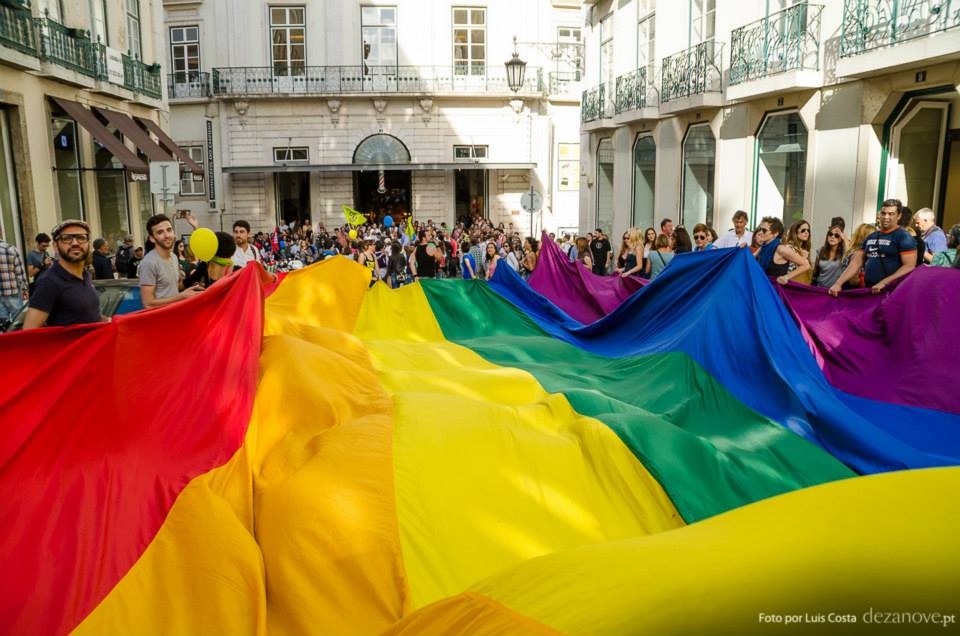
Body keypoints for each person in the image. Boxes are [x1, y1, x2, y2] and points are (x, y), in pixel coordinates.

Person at [23, 220, 104, 329]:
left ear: (88, 243)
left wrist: (112, 322)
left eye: (81, 237)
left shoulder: (85, 275)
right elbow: (29, 333)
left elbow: (89, 317)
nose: (75, 243)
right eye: (66, 238)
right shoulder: (49, 282)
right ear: (56, 246)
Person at [830, 199, 917, 296]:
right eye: (883, 213)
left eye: (891, 214)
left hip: (892, 292)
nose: (886, 217)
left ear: (899, 216)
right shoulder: (871, 236)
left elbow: (909, 266)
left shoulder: (904, 237)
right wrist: (838, 284)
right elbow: (856, 262)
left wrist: (884, 282)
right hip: (870, 290)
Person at [140, 214, 203, 308]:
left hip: (175, 314)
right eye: (160, 232)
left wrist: (192, 288)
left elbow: (177, 286)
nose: (167, 235)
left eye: (169, 230)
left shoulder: (173, 257)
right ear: (152, 238)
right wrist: (181, 296)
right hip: (160, 319)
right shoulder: (149, 262)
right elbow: (148, 304)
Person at [755, 216, 811, 285]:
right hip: (764, 287)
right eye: (759, 229)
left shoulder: (781, 249)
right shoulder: (764, 246)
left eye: (764, 230)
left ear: (775, 234)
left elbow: (806, 265)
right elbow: (750, 260)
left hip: (776, 291)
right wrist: (743, 249)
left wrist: (786, 277)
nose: (760, 232)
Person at [0, 232, 28, 324]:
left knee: (2, 323)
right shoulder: (11, 249)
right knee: (17, 321)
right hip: (12, 291)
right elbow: (19, 272)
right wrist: (24, 289)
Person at [812, 224, 846, 289]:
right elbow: (815, 271)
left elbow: (852, 250)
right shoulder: (821, 250)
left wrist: (844, 238)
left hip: (835, 290)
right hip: (820, 288)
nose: (832, 237)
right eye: (830, 234)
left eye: (836, 235)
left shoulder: (844, 253)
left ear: (841, 239)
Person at [784, 220, 813, 285]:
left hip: (803, 286)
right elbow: (789, 271)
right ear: (795, 232)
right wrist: (803, 258)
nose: (806, 232)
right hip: (792, 287)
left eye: (808, 230)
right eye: (803, 230)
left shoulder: (804, 249)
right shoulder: (789, 248)